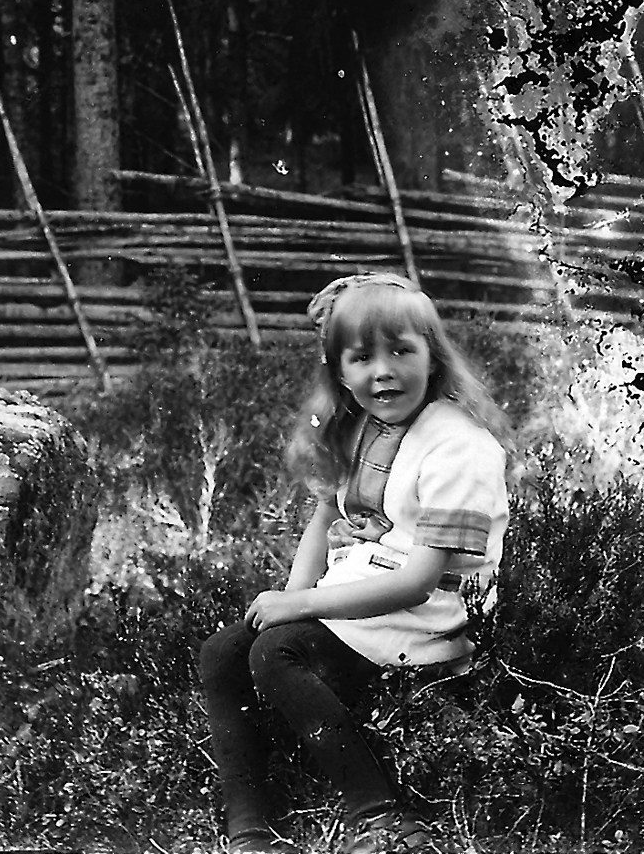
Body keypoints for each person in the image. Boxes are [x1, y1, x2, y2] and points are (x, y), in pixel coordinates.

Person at [198, 273, 511, 854]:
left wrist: (300, 607)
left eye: (401, 351)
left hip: (431, 615)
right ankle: (250, 829)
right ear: (340, 371)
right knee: (223, 653)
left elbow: (419, 583)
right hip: (368, 589)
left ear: (433, 357)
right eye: (362, 357)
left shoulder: (458, 445)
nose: (383, 372)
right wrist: (291, 598)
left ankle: (385, 818)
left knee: (278, 654)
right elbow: (326, 514)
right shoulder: (363, 425)